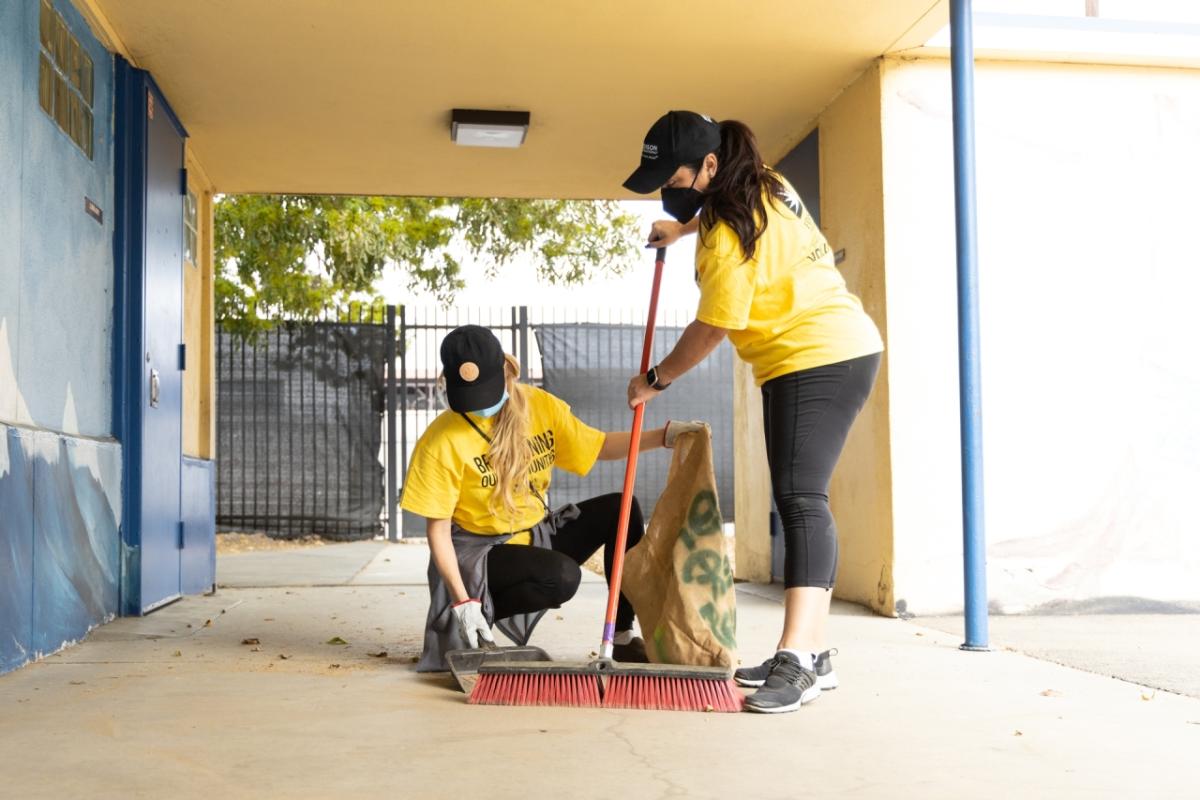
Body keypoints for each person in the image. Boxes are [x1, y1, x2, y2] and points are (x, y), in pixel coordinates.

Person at [622, 111, 884, 713]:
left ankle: (799, 661)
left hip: (812, 354)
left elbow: (714, 325)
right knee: (800, 496)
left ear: (710, 166)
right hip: (832, 349)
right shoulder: (767, 181)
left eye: (677, 175)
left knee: (800, 498)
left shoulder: (721, 237)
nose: (673, 186)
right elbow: (737, 219)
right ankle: (811, 653)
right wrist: (679, 229)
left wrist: (654, 380)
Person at [402, 324, 703, 671]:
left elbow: (599, 445)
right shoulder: (440, 441)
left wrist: (664, 436)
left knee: (621, 508)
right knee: (562, 576)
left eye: (484, 393)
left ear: (505, 371)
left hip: (535, 532)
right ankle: (480, 610)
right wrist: (462, 600)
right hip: (479, 553)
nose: (478, 407)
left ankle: (621, 636)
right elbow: (438, 532)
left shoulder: (539, 407)